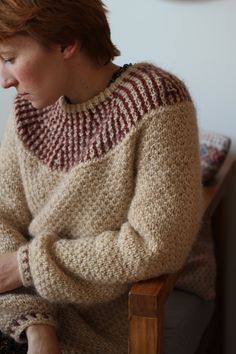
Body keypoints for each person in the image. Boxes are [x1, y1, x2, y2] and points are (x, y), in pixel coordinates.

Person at [0, 1, 205, 353]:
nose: (5, 81)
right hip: (23, 312)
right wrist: (34, 324)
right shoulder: (27, 110)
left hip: (104, 318)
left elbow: (154, 246)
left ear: (66, 43)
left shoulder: (157, 102)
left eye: (9, 59)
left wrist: (28, 265)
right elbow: (4, 215)